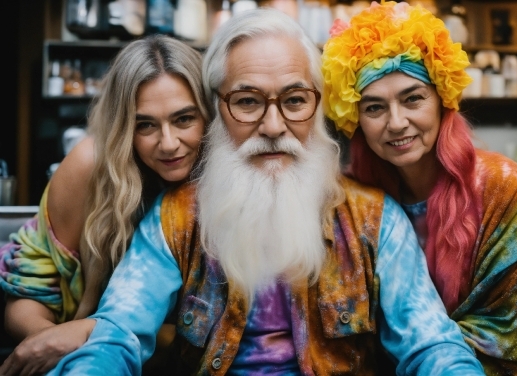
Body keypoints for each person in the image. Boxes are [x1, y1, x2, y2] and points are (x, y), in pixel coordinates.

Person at [26, 8, 487, 376]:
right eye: (247, 101)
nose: (272, 127)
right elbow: (117, 336)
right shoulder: (176, 217)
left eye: (294, 100)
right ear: (218, 108)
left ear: (319, 104)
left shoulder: (375, 219)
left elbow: (432, 346)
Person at [321, 1, 517, 375]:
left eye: (413, 98)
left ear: (442, 99)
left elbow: (503, 329)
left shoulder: (501, 186)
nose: (397, 123)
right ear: (354, 118)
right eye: (374, 108)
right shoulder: (355, 202)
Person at [0, 34, 209, 375]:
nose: (169, 143)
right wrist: (55, 340)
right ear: (123, 126)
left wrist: (85, 331)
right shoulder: (90, 167)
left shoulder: (229, 182)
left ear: (209, 115)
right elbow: (27, 295)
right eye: (145, 125)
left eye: (184, 119)